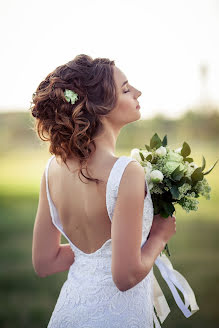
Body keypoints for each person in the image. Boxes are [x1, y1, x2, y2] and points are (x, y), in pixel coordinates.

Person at [31, 54, 176, 328]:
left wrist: (96, 256)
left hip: (67, 315)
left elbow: (44, 262)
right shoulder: (126, 172)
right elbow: (126, 276)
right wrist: (159, 236)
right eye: (125, 89)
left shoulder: (51, 170)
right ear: (99, 107)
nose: (137, 92)